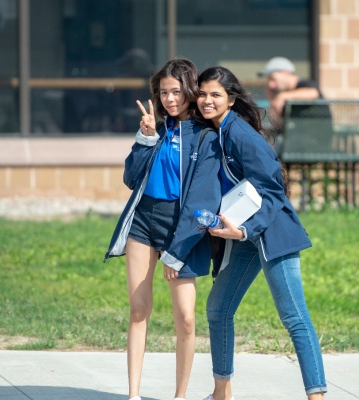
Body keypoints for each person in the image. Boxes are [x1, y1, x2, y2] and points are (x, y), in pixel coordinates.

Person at [196, 66, 327, 400]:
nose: (207, 100)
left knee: (294, 316)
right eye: (203, 94)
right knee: (218, 309)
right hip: (244, 233)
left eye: (215, 95)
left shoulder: (241, 135)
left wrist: (243, 230)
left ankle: (318, 397)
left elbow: (273, 190)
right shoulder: (218, 131)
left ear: (231, 98)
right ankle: (221, 394)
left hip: (271, 231)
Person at [103, 58, 222, 400]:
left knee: (185, 317)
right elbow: (131, 179)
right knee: (138, 308)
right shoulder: (156, 127)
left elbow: (202, 199)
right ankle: (134, 394)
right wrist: (145, 137)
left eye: (176, 92)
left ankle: (180, 396)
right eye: (164, 92)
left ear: (190, 92)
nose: (170, 99)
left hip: (182, 227)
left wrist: (178, 249)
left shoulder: (204, 137)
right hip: (144, 219)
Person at [258, 56, 323, 131]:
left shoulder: (305, 84)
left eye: (273, 79)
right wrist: (272, 102)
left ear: (286, 73)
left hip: (316, 139)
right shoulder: (284, 96)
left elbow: (313, 93)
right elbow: (279, 124)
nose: (270, 85)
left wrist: (282, 96)